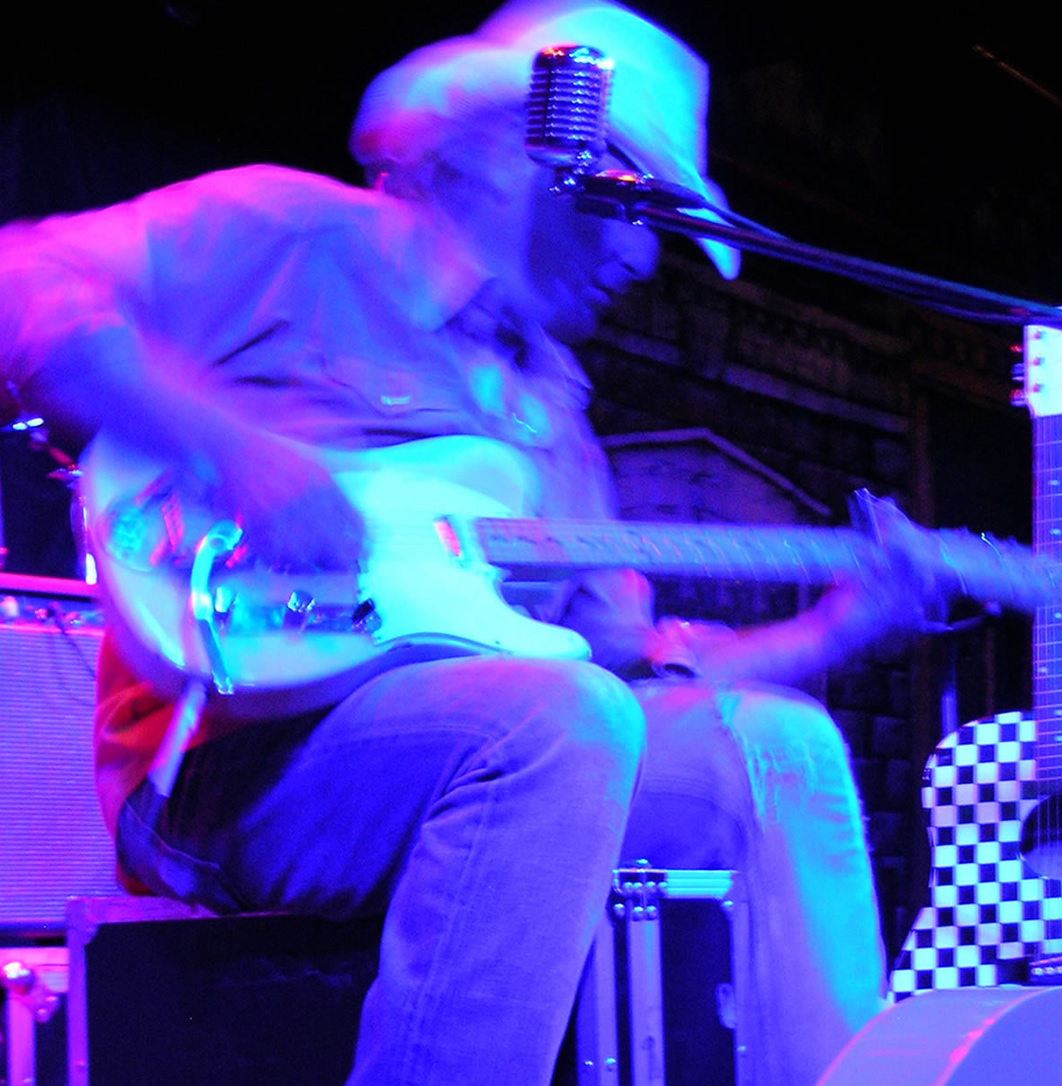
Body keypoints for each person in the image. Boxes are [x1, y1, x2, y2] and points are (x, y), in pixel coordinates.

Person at [0, 2, 925, 1082]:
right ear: (525, 157)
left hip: (494, 745)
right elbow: (23, 283)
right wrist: (231, 451)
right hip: (224, 764)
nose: (640, 257)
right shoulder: (300, 236)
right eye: (625, 205)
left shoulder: (551, 408)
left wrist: (834, 630)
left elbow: (621, 669)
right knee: (552, 722)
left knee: (772, 744)